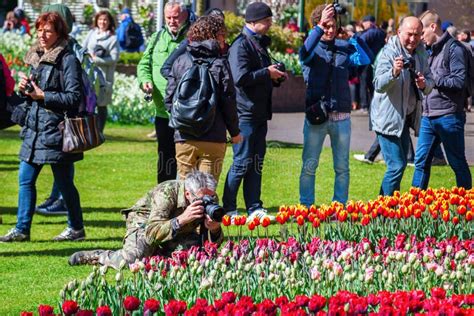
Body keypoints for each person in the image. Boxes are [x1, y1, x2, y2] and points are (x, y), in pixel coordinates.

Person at [0, 12, 85, 242]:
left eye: (47, 30)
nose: (42, 35)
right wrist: (25, 88)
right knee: (25, 179)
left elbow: (74, 97)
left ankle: (76, 228)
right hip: (35, 129)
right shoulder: (38, 56)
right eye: (39, 30)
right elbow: (33, 94)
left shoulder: (67, 60)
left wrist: (43, 95)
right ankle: (21, 229)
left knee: (65, 184)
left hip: (57, 131)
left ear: (59, 33)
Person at [68, 170, 223, 269]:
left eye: (210, 197)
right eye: (201, 199)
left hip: (177, 228)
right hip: (145, 222)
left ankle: (157, 255)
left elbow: (210, 246)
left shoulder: (208, 197)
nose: (207, 201)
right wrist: (181, 219)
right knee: (132, 260)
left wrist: (214, 228)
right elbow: (151, 233)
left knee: (194, 258)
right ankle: (99, 256)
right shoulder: (167, 192)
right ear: (188, 194)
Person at [298, 4, 373, 207]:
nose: (330, 30)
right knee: (309, 166)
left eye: (333, 26)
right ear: (317, 26)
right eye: (325, 26)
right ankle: (306, 206)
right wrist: (320, 26)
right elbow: (303, 53)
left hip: (341, 119)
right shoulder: (312, 49)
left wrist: (354, 35)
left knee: (342, 167)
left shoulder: (343, 48)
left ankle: (338, 206)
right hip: (316, 118)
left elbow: (366, 58)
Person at [222, 2, 286, 221]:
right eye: (266, 21)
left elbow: (259, 75)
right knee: (242, 161)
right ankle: (229, 207)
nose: (269, 24)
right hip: (245, 113)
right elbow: (240, 78)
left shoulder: (258, 42)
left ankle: (254, 207)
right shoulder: (240, 45)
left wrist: (274, 76)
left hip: (259, 112)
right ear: (253, 22)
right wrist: (266, 73)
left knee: (257, 161)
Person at [164, 16, 241, 181]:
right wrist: (234, 132)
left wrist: (182, 119)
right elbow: (228, 101)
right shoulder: (220, 64)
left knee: (185, 191)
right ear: (214, 36)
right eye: (222, 35)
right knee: (207, 191)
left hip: (184, 136)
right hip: (213, 135)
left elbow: (169, 98)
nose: (224, 39)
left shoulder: (180, 61)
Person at [370, 16, 434, 196]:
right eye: (409, 34)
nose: (413, 39)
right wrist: (394, 72)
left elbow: (430, 80)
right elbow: (378, 84)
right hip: (387, 118)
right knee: (396, 165)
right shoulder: (388, 52)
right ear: (399, 32)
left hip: (405, 118)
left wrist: (424, 84)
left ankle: (384, 207)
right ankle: (386, 209)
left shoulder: (421, 52)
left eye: (417, 35)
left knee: (400, 165)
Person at [411, 10, 472, 190]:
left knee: (457, 162)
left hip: (449, 115)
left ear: (433, 27)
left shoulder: (455, 49)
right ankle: (413, 207)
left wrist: (432, 80)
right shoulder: (427, 50)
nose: (420, 38)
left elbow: (459, 81)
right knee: (421, 162)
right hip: (428, 116)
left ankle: (466, 207)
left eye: (422, 33)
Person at [137, 1, 191, 184]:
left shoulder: (193, 37)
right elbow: (144, 64)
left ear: (184, 16)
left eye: (175, 17)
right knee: (165, 158)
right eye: (168, 17)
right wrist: (145, 81)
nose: (172, 21)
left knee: (187, 159)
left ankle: (188, 203)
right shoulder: (157, 37)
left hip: (186, 111)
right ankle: (164, 199)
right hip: (163, 112)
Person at [82, 10, 119, 133]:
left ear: (109, 22)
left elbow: (114, 58)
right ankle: (88, 130)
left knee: (102, 104)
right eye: (100, 19)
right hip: (89, 74)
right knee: (88, 102)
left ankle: (99, 131)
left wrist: (96, 59)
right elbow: (83, 48)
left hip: (104, 76)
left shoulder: (113, 38)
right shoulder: (91, 34)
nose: (102, 22)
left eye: (105, 20)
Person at [359, 15, 385, 112]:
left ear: (369, 23)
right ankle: (374, 104)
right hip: (378, 61)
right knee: (373, 84)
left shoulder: (369, 33)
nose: (363, 26)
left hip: (366, 62)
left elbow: (360, 43)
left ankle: (364, 105)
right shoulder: (381, 33)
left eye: (364, 23)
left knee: (364, 82)